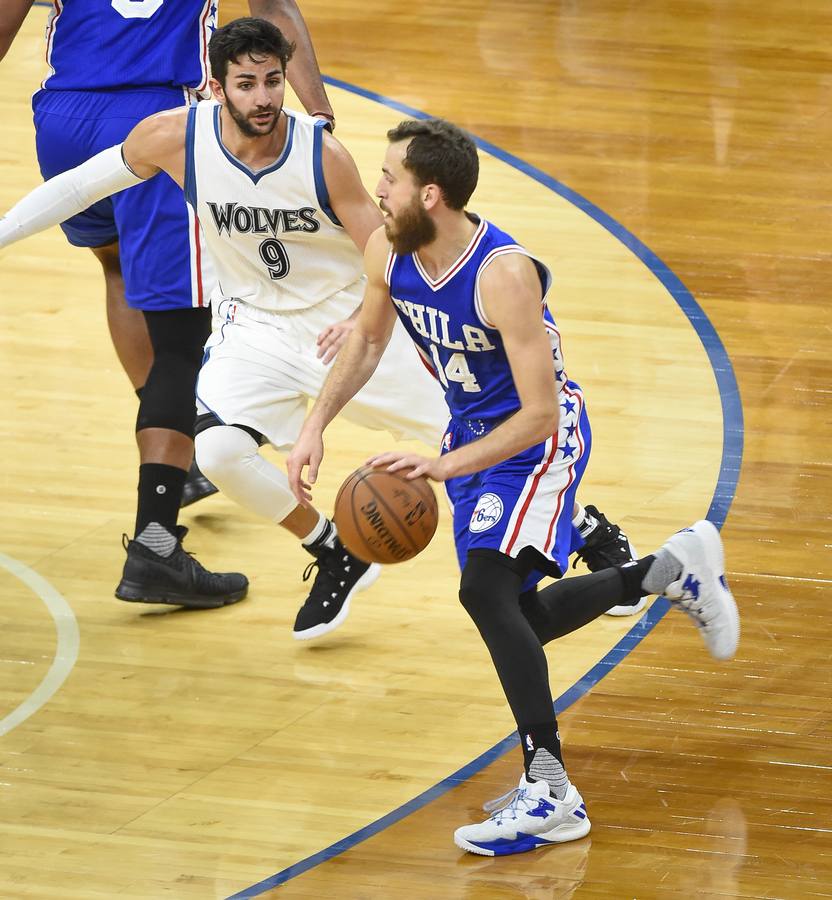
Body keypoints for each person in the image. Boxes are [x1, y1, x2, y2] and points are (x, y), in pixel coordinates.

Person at [0, 17, 644, 637]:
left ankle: (590, 530)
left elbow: (390, 252)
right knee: (219, 451)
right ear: (215, 85)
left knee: (463, 450)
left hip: (346, 321)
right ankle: (335, 548)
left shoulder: (320, 154)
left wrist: (372, 318)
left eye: (273, 81)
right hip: (254, 329)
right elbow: (75, 190)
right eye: (246, 84)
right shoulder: (172, 137)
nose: (263, 97)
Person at [285, 117, 741, 855]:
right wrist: (315, 428)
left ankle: (552, 788)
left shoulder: (503, 274)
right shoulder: (388, 250)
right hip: (471, 437)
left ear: (430, 195)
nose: (378, 187)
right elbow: (367, 340)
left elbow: (537, 413)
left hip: (541, 439)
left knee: (484, 594)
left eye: (391, 178)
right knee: (521, 618)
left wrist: (443, 468)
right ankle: (663, 571)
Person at [0, 0, 337, 608]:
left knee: (118, 269)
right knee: (183, 336)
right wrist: (316, 110)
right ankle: (156, 542)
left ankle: (185, 444)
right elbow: (274, 8)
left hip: (64, 116)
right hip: (157, 117)